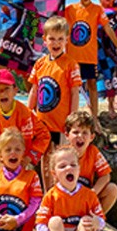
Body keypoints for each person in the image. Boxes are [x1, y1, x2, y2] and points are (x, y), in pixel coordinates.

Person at [65, 0, 117, 132]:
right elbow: (54, 20)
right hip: (72, 58)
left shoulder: (97, 9)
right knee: (73, 88)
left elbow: (108, 28)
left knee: (92, 86)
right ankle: (72, 120)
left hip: (90, 56)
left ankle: (95, 119)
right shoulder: (70, 9)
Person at [0, 127, 43, 231]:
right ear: (0, 155)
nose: (13, 153)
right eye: (8, 150)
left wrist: (17, 220)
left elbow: (35, 203)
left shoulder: (32, 177)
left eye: (17, 149)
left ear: (23, 153)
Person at [28, 17, 82, 148]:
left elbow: (75, 93)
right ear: (45, 40)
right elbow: (34, 90)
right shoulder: (39, 64)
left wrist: (72, 120)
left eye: (60, 39)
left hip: (61, 125)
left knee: (59, 159)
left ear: (66, 40)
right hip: (41, 124)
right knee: (43, 161)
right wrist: (28, 112)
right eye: (52, 39)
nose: (56, 43)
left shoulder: (71, 64)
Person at [0, 69, 49, 173]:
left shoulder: (23, 112)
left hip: (36, 141)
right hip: (14, 145)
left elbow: (27, 141)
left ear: (15, 90)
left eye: (6, 88)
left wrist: (27, 158)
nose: (2, 93)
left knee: (24, 167)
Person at [35, 146, 105, 231]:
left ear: (79, 169)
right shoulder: (51, 196)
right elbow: (40, 223)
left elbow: (102, 220)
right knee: (54, 222)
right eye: (62, 166)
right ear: (54, 174)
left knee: (87, 221)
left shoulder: (89, 194)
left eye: (73, 165)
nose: (69, 168)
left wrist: (97, 223)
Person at [64, 111, 117, 214]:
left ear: (91, 137)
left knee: (112, 189)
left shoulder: (93, 152)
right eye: (75, 132)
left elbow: (105, 176)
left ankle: (97, 219)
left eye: (85, 132)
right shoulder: (62, 154)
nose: (80, 136)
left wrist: (93, 192)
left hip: (86, 195)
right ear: (67, 135)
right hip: (67, 196)